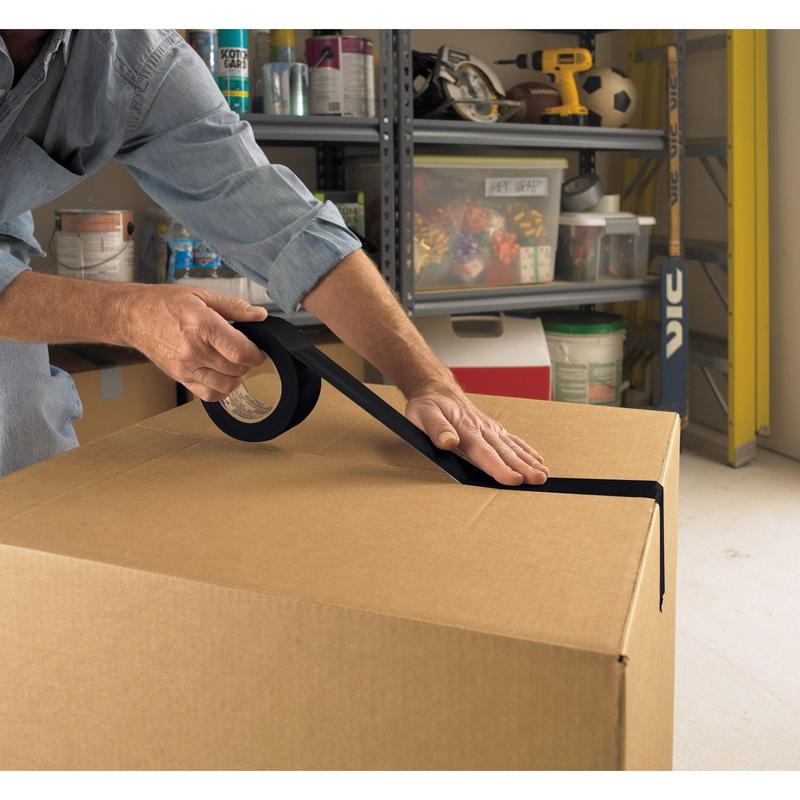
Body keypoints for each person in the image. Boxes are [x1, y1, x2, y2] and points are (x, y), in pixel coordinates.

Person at [0, 29, 549, 484]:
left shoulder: (131, 55)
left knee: (26, 465)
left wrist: (428, 380)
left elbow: (284, 223)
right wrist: (129, 315)